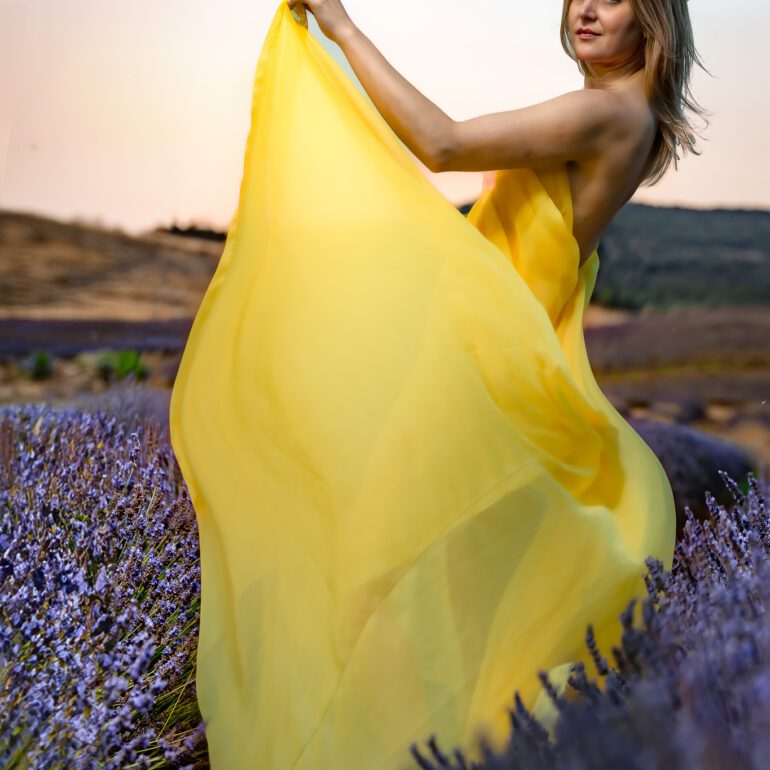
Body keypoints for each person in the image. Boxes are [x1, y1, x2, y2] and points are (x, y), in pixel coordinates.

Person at [168, 1, 707, 768]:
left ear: (653, 19)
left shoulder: (608, 115)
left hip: (479, 374)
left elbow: (441, 142)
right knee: (407, 584)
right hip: (480, 360)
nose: (586, 7)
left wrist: (341, 27)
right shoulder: (624, 116)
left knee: (377, 573)